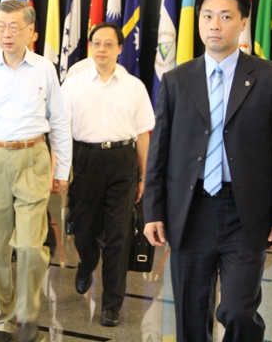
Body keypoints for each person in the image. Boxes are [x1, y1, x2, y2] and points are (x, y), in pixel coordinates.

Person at [143, 0, 272, 342]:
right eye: (208, 16)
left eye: (226, 16)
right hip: (190, 211)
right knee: (189, 310)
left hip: (245, 214)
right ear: (199, 22)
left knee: (237, 310)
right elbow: (160, 152)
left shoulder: (271, 78)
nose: (215, 24)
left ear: (242, 22)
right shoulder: (175, 81)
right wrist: (152, 210)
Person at [0, 0, 71, 342]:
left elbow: (60, 122)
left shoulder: (44, 69)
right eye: (0, 27)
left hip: (33, 157)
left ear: (31, 31)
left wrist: (62, 167)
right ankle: (1, 322)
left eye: (15, 27)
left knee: (32, 246)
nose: (6, 34)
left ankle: (27, 311)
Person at [61, 22, 154, 327]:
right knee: (84, 229)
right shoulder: (73, 84)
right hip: (85, 159)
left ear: (119, 49)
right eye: (96, 43)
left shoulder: (134, 86)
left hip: (122, 161)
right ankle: (87, 263)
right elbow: (61, 130)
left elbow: (142, 135)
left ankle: (111, 304)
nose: (101, 49)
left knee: (118, 235)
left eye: (108, 44)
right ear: (90, 46)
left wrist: (143, 177)